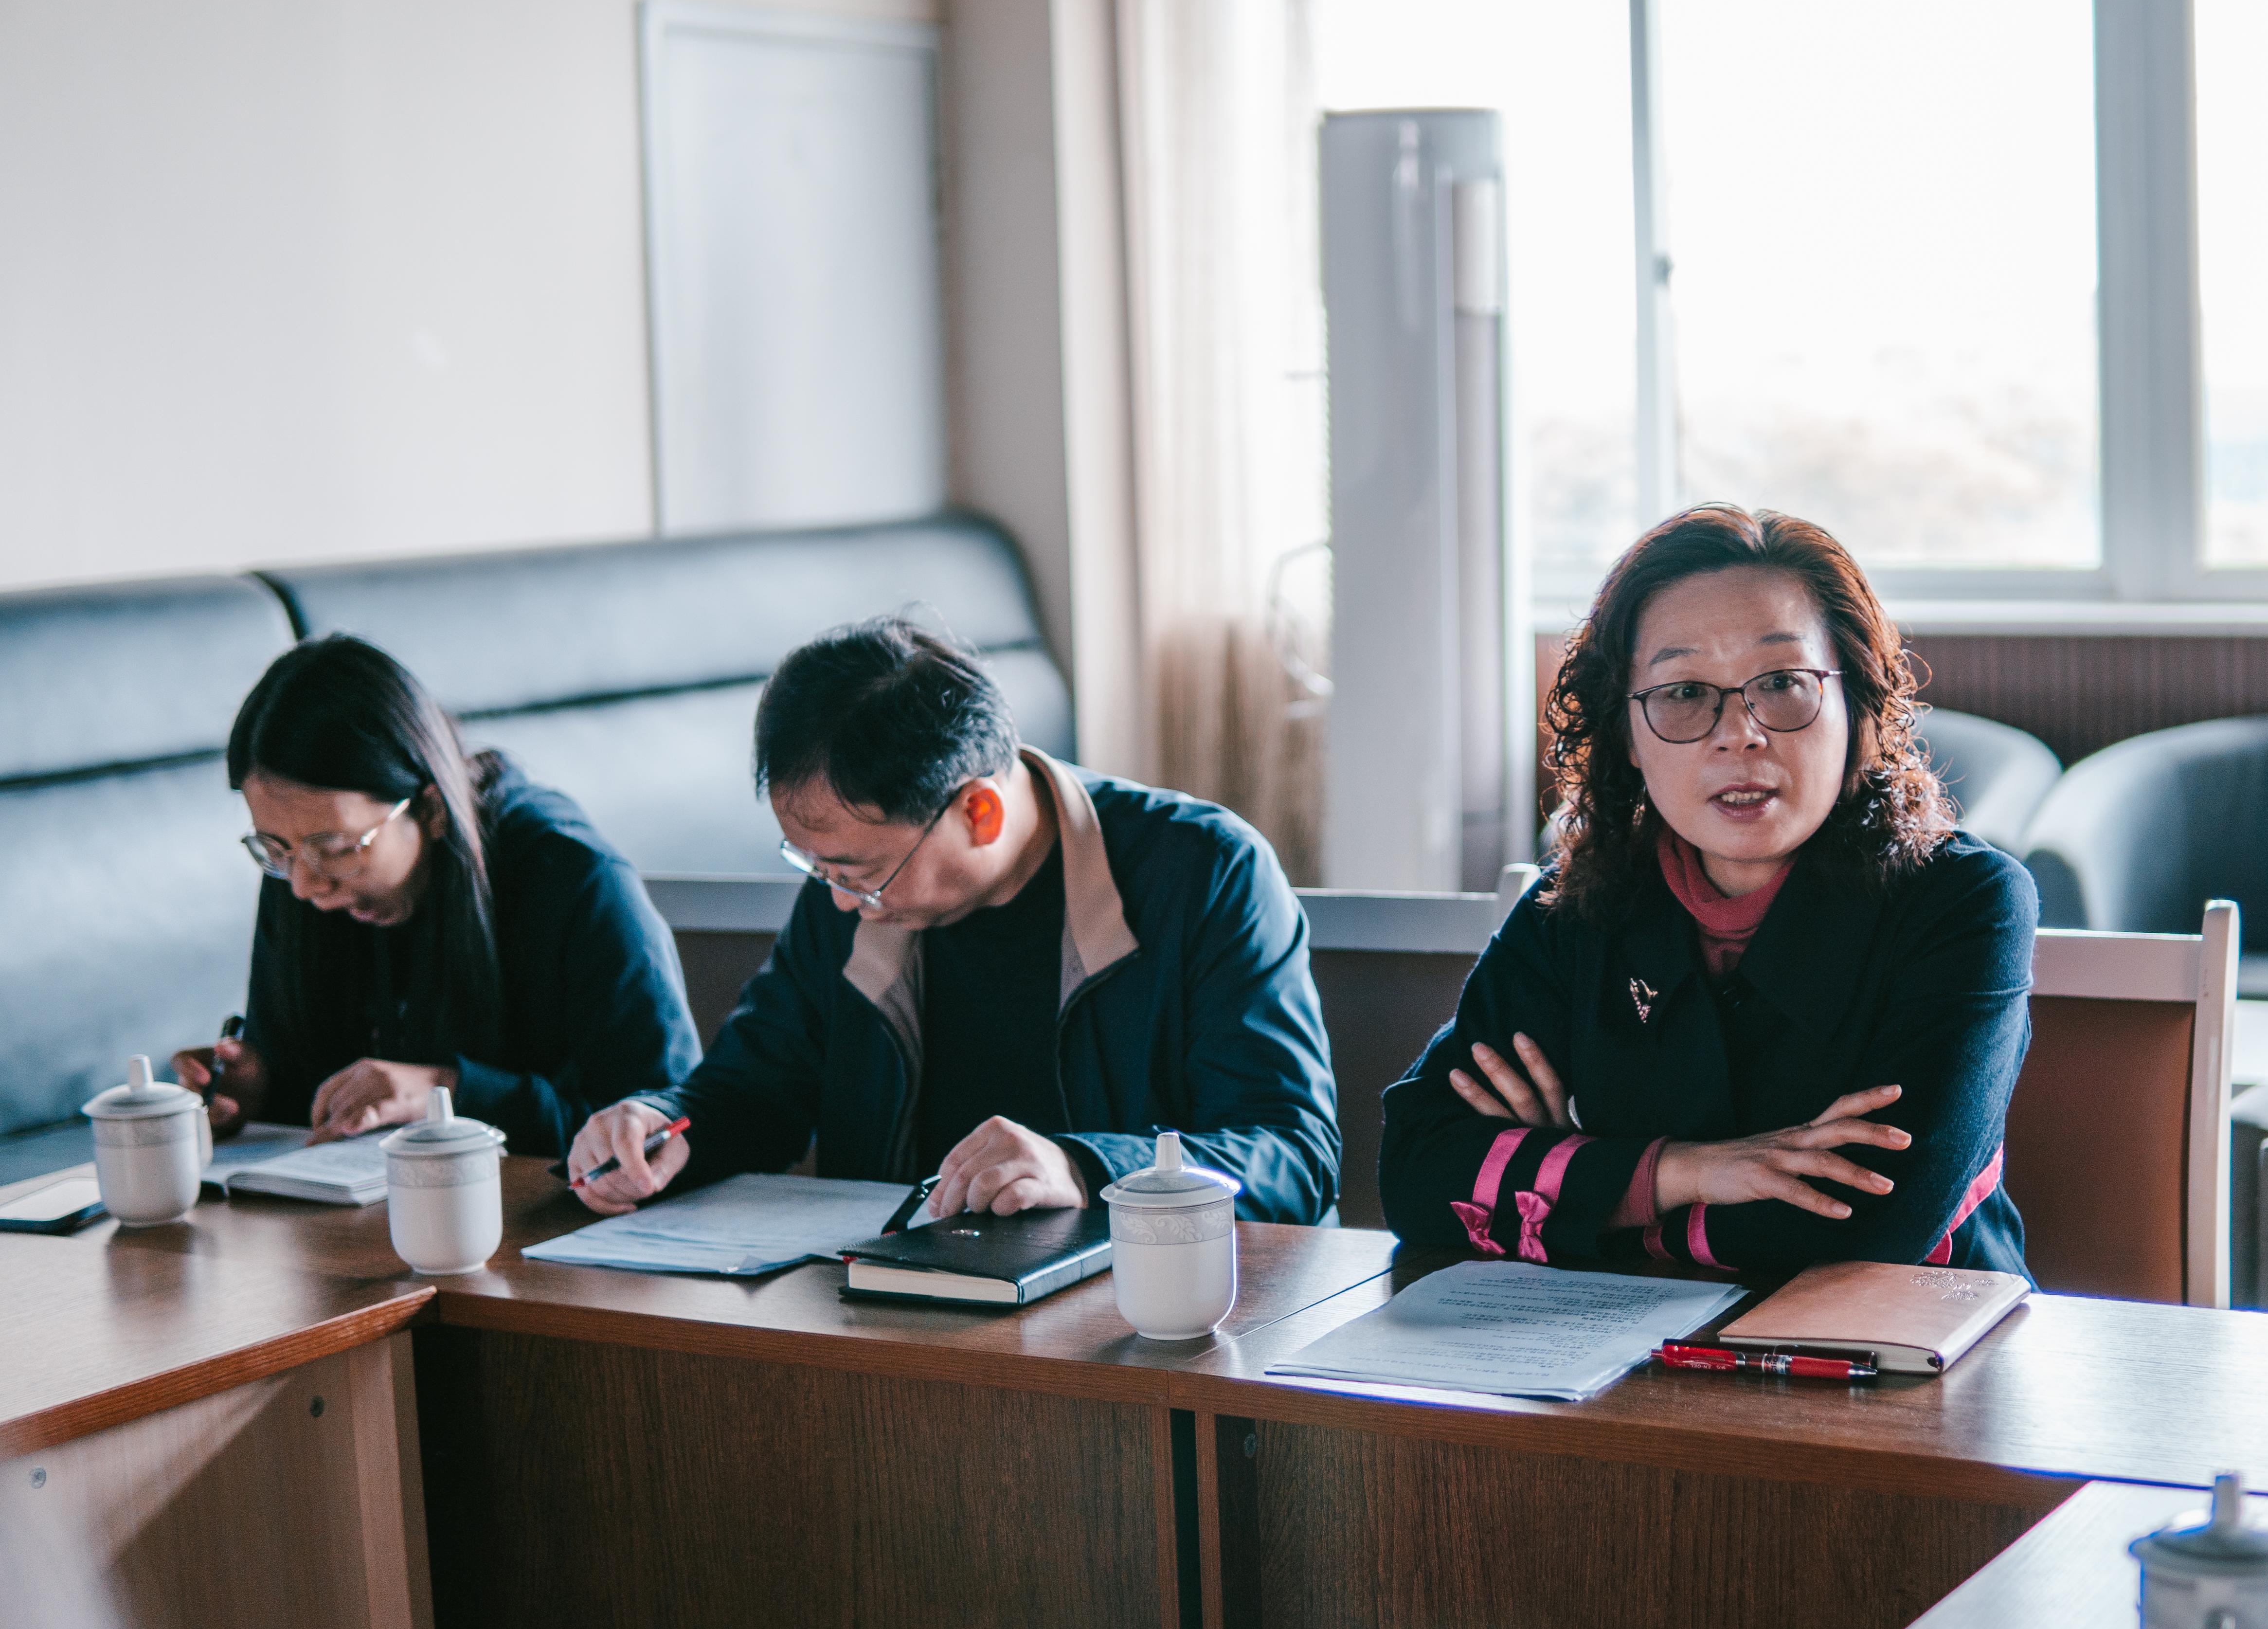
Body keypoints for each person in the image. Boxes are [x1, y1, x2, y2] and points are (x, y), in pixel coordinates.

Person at [1377, 504, 2036, 1274]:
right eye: (1685, 692)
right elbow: (1416, 1174)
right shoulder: (1576, 907)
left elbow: (1866, 1229)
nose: (1739, 733)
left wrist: (1589, 1192)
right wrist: (1681, 1172)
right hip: (1627, 1340)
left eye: (1783, 682)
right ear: (1626, 734)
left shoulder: (1964, 903)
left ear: (1855, 703)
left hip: (1901, 1337)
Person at [565, 616, 1339, 1223]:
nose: (840, 902)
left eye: (860, 873)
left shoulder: (1204, 873)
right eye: (818, 869)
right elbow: (755, 1091)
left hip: (1134, 1322)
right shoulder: (852, 887)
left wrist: (1085, 1170)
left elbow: (1293, 1155)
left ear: (979, 812)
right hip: (896, 1318)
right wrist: (665, 1127)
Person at [175, 635, 699, 1157]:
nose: (305, 887)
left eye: (335, 848)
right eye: (274, 848)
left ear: (431, 809)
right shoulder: (297, 872)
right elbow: (314, 1104)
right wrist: (257, 1091)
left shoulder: (575, 879)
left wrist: (447, 1092)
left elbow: (663, 1124)